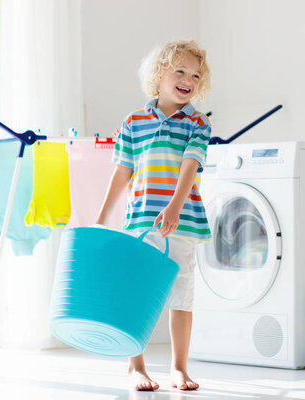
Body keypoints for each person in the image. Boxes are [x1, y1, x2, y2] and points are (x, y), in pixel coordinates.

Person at [95, 40, 212, 392]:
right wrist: (102, 219)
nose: (187, 79)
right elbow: (121, 173)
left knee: (181, 296)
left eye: (195, 74)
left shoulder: (197, 123)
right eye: (179, 71)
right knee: (135, 293)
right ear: (158, 75)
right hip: (140, 222)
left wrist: (175, 206)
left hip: (183, 220)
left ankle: (178, 368)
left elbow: (191, 165)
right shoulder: (133, 122)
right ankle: (136, 368)